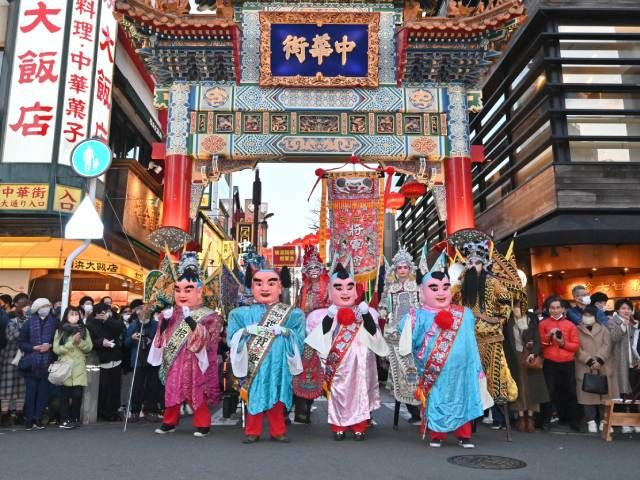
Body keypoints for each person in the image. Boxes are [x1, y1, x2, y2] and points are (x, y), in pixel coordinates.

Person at [398, 262, 485, 448]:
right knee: (436, 400)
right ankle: (437, 434)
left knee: (463, 398)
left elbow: (471, 342)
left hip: (462, 371)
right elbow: (405, 338)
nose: (441, 292)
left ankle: (464, 435)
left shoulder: (465, 314)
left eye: (445, 287)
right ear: (422, 291)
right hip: (434, 371)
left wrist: (477, 367)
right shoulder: (416, 316)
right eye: (434, 288)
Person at [306, 261, 389, 440]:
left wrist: (365, 315)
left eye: (349, 287)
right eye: (339, 287)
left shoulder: (368, 312)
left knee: (360, 392)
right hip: (338, 365)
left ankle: (359, 426)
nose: (345, 292)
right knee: (338, 393)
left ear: (356, 290)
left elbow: (376, 337)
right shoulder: (321, 315)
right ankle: (339, 427)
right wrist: (329, 317)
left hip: (362, 363)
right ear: (330, 291)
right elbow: (318, 340)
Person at [228, 266, 305, 443]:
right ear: (251, 287)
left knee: (277, 393)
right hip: (254, 363)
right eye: (259, 283)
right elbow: (231, 339)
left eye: (271, 283)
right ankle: (252, 431)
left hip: (280, 364)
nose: (264, 288)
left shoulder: (294, 315)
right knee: (254, 394)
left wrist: (286, 331)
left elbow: (300, 339)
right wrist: (245, 331)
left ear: (280, 287)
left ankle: (278, 431)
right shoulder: (240, 314)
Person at [149, 252, 223, 437]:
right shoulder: (172, 313)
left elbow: (209, 339)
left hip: (196, 360)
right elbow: (162, 337)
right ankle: (169, 421)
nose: (182, 294)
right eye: (178, 289)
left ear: (199, 291)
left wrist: (190, 319)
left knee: (197, 390)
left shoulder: (210, 315)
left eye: (188, 289)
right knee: (172, 389)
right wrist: (164, 321)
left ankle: (203, 423)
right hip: (175, 359)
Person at [378, 245, 422, 424]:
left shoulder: (418, 286)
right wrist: (382, 312)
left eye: (405, 267)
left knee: (418, 370)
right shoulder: (390, 287)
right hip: (395, 334)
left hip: (415, 333)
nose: (402, 270)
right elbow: (383, 306)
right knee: (401, 373)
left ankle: (422, 407)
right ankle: (413, 411)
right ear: (395, 269)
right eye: (399, 268)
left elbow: (423, 306)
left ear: (410, 268)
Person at [293, 246, 330, 422]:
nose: (314, 271)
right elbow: (299, 309)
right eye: (311, 268)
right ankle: (303, 406)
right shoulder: (303, 289)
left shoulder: (329, 286)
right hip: (307, 334)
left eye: (317, 268)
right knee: (306, 368)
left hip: (325, 330)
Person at [503, 300, 549, 433]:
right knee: (519, 387)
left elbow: (538, 340)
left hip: (530, 358)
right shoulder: (508, 322)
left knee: (532, 388)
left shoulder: (532, 321)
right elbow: (506, 343)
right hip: (515, 358)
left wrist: (534, 353)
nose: (517, 310)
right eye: (515, 307)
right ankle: (521, 417)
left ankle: (530, 417)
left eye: (519, 307)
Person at [539, 296, 581, 431]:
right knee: (548, 392)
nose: (555, 310)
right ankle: (545, 421)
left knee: (570, 392)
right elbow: (540, 345)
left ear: (563, 309)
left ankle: (573, 421)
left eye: (558, 307)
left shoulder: (570, 325)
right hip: (550, 362)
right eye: (552, 308)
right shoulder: (543, 324)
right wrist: (548, 337)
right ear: (548, 309)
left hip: (567, 362)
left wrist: (563, 343)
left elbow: (575, 346)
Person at [575, 305, 617, 433]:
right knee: (587, 395)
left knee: (605, 394)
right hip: (584, 365)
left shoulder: (604, 329)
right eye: (585, 315)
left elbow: (607, 345)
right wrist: (588, 360)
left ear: (595, 316)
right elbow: (577, 347)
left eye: (590, 315)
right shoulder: (576, 329)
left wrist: (599, 360)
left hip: (603, 365)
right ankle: (591, 421)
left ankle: (604, 420)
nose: (587, 318)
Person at [18, 297, 58, 430]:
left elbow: (58, 341)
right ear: (37, 309)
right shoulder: (28, 323)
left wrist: (50, 346)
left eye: (47, 306)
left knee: (43, 393)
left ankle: (38, 418)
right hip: (31, 363)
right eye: (43, 306)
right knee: (30, 393)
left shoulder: (54, 323)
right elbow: (21, 343)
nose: (46, 309)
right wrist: (33, 347)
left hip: (47, 363)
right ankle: (29, 419)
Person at [53, 306, 93, 429]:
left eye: (76, 314)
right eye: (72, 314)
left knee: (77, 394)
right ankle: (64, 419)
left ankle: (74, 417)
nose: (74, 316)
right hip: (65, 366)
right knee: (64, 395)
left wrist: (79, 342)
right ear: (66, 315)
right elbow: (56, 349)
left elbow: (89, 347)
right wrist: (71, 343)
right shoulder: (60, 330)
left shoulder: (84, 330)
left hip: (79, 366)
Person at [124, 301, 161, 422]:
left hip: (152, 359)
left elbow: (161, 341)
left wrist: (153, 341)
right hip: (138, 358)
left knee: (153, 385)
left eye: (148, 312)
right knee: (137, 387)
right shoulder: (133, 325)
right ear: (138, 313)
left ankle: (152, 411)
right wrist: (132, 338)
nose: (145, 314)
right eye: (143, 312)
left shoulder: (156, 325)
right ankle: (135, 411)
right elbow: (126, 343)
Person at [87, 302, 124, 421]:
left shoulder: (113, 320)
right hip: (102, 359)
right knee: (103, 387)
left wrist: (108, 320)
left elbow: (119, 329)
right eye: (103, 312)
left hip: (116, 358)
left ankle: (113, 411)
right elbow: (91, 341)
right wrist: (101, 343)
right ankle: (102, 412)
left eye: (107, 311)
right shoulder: (91, 323)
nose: (105, 314)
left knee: (115, 387)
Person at [608, 298, 640, 433]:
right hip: (619, 363)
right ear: (617, 310)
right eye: (623, 308)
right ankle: (622, 423)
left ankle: (634, 422)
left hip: (633, 362)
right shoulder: (612, 322)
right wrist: (623, 326)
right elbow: (614, 338)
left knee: (633, 394)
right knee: (620, 393)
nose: (626, 311)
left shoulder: (635, 324)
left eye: (628, 308)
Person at [0, 296, 29, 427]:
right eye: (26, 307)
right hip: (11, 356)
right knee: (7, 386)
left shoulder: (31, 320)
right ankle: (4, 414)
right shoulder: (12, 321)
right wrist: (25, 334)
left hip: (25, 356)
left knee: (21, 387)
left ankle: (19, 414)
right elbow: (11, 336)